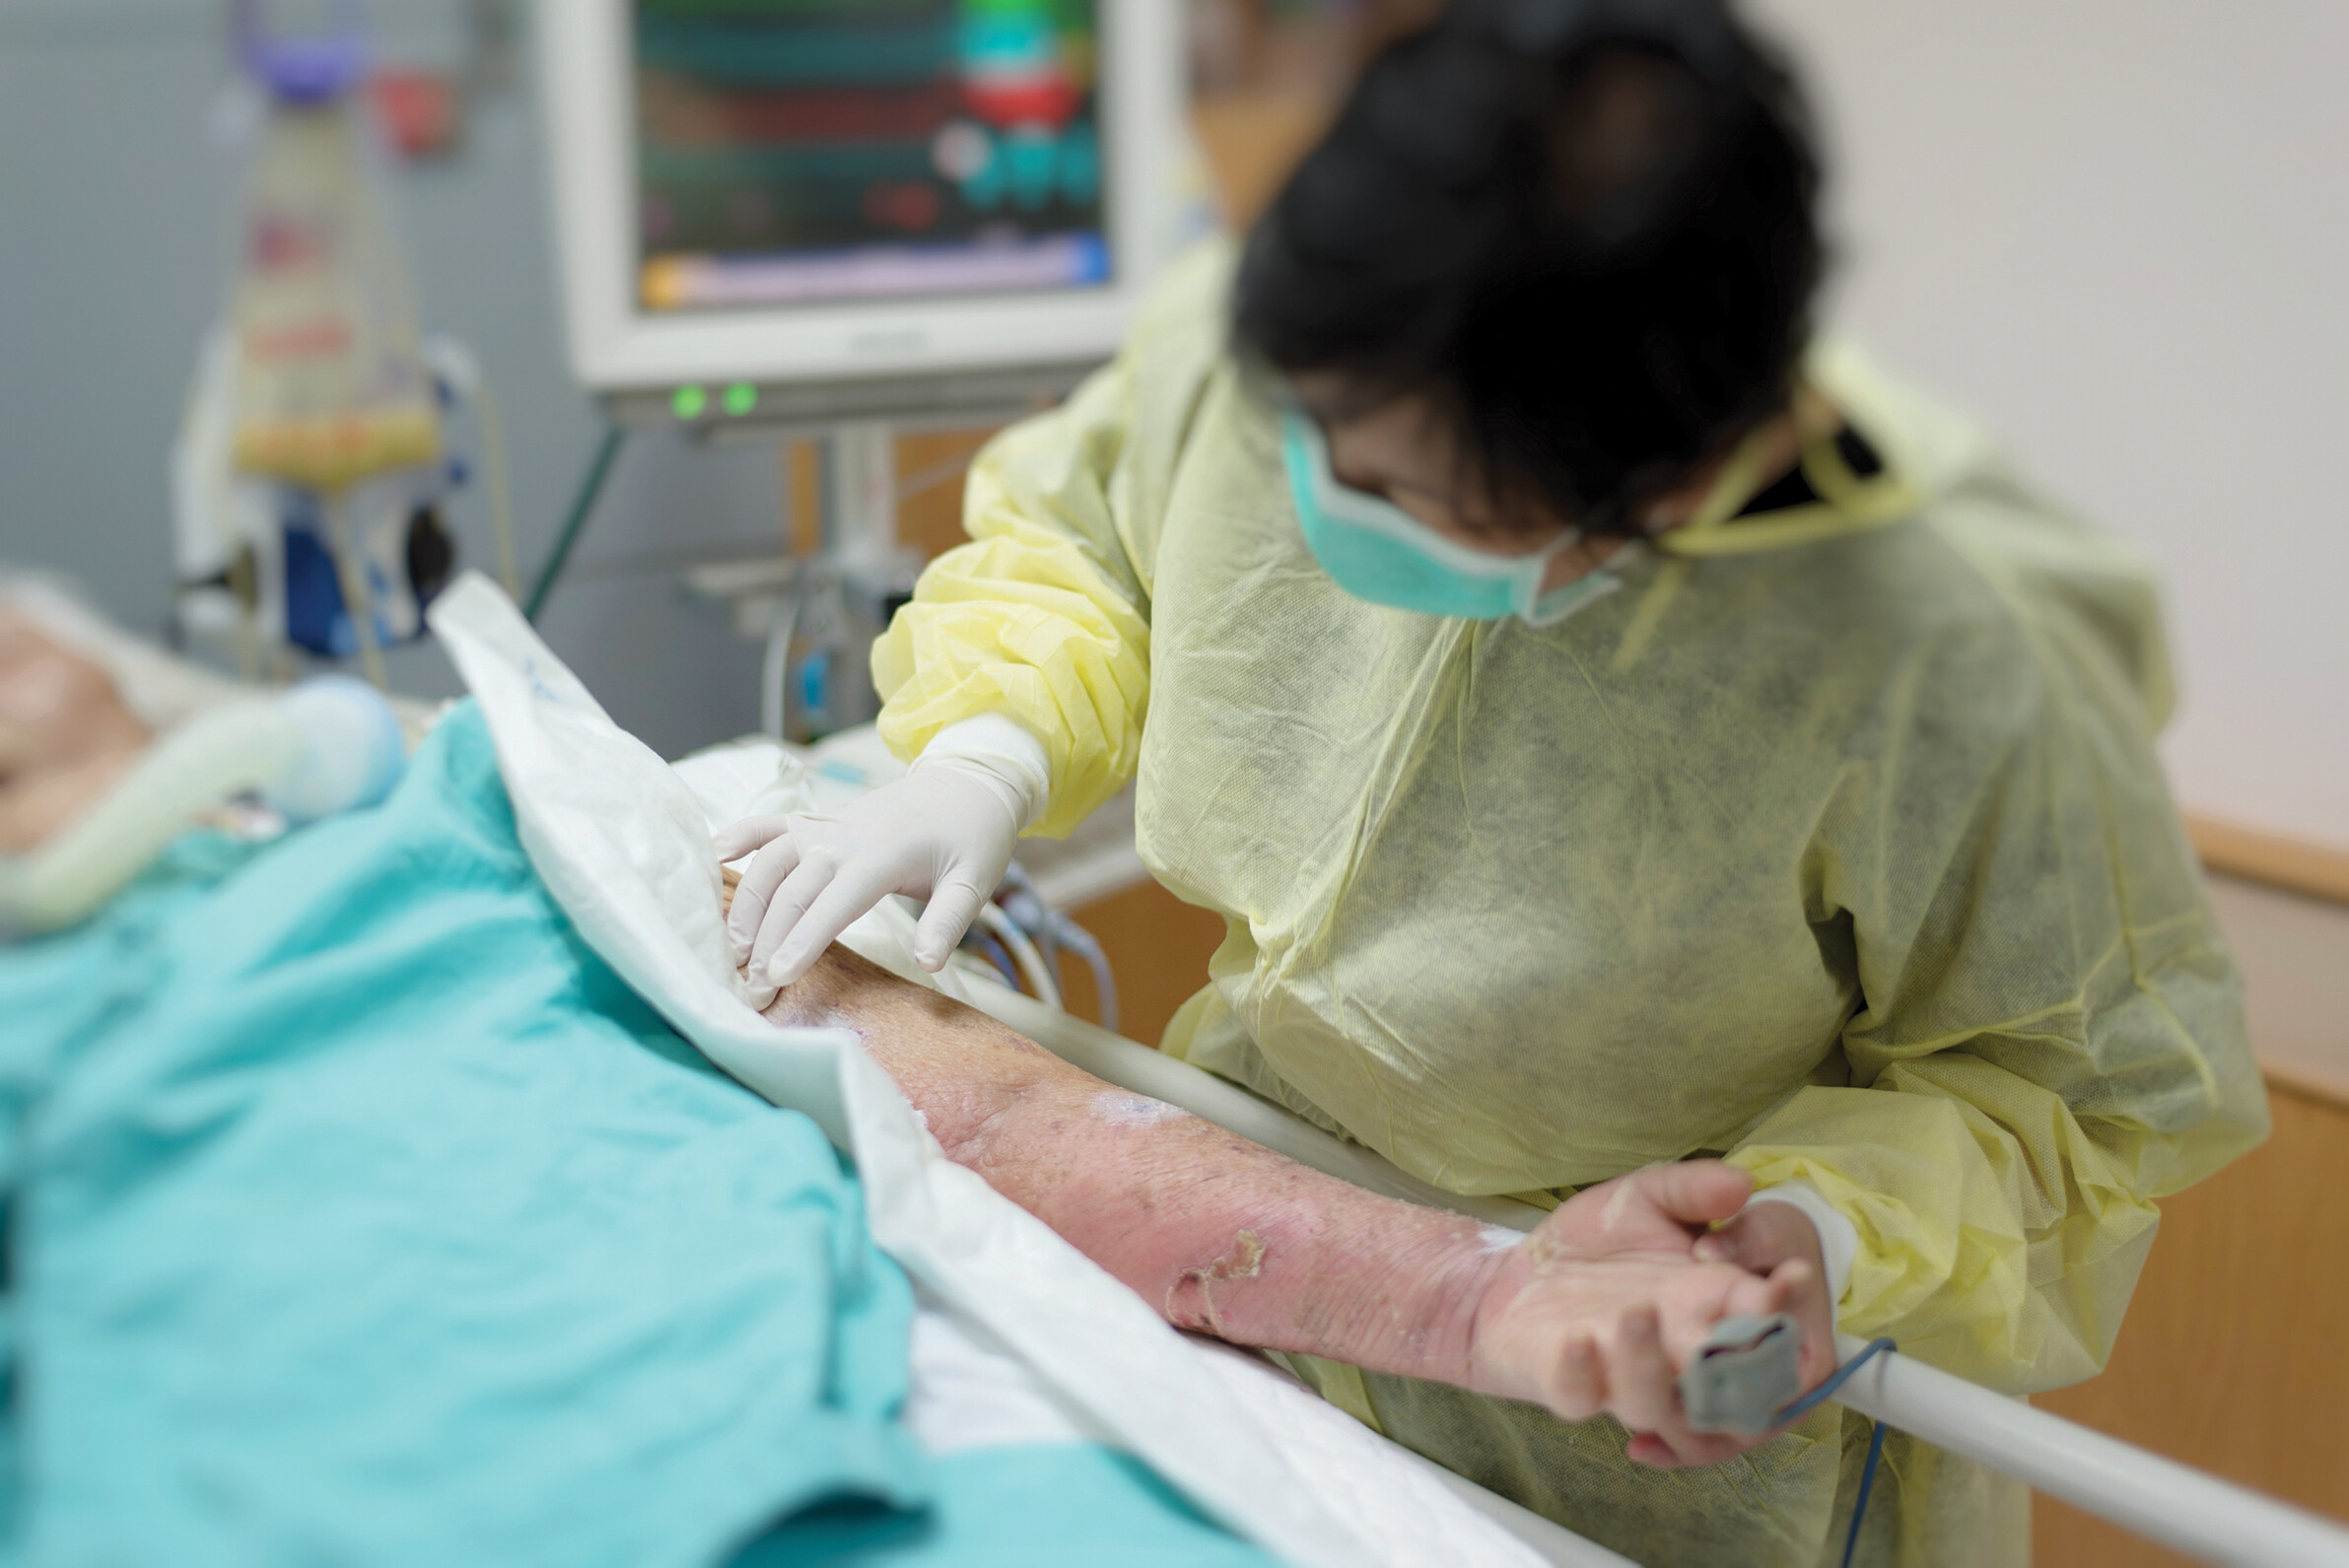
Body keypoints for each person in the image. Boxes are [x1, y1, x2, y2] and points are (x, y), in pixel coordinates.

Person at [719, 1, 2268, 1561]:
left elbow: (2066, 1105)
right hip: (1264, 1232)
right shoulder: (1295, 334)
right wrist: (987, 747)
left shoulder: (1948, 651)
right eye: (1310, 439)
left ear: (1653, 486)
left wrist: (1812, 1231)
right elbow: (1088, 533)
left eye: (1405, 490)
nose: (1318, 492)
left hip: (1652, 1381)